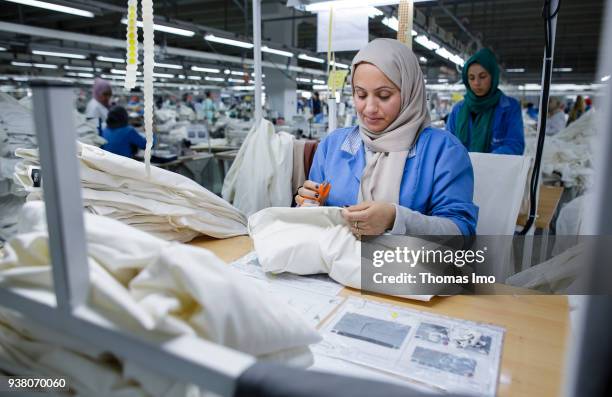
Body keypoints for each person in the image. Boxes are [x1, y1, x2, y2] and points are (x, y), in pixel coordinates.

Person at [295, 39, 478, 237]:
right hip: (336, 262)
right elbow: (312, 215)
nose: (370, 108)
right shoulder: (334, 146)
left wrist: (395, 218)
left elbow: (461, 232)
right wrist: (309, 205)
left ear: (409, 91)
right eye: (361, 95)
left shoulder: (443, 151)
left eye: (383, 95)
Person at [446, 48, 524, 154]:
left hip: (496, 168)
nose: (476, 83)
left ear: (493, 76)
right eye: (471, 78)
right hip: (462, 169)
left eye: (482, 77)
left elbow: (515, 145)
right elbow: (448, 144)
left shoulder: (509, 107)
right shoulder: (458, 110)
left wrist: (484, 163)